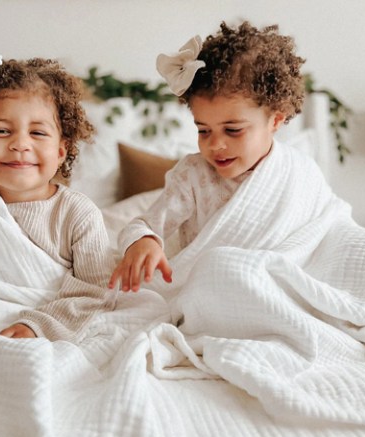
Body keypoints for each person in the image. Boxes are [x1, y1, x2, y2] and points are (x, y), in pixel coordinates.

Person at [109, 21, 308, 292]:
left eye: (233, 130)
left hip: (269, 285)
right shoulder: (193, 175)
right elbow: (144, 224)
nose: (215, 144)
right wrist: (144, 241)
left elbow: (325, 227)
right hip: (206, 288)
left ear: (275, 120)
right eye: (203, 130)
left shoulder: (295, 170)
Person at [0, 56, 111, 341]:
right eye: (1, 130)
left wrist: (38, 326)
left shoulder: (78, 214)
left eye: (38, 132)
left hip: (50, 324)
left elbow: (97, 292)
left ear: (61, 151)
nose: (20, 144)